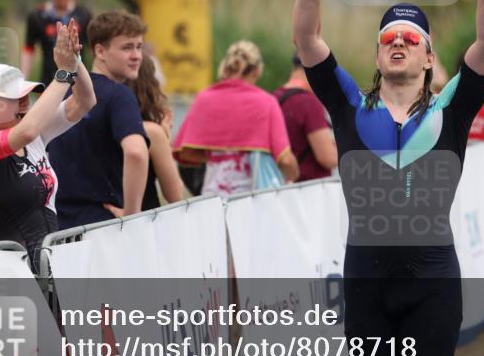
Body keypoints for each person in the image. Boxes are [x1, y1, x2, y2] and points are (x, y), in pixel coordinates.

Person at [294, 0, 484, 356]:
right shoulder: (348, 106)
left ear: (429, 56)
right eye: (389, 37)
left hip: (431, 281)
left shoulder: (449, 111)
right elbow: (307, 41)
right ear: (377, 53)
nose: (399, 42)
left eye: (410, 36)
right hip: (366, 284)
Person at [0, 24, 95, 269]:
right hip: (15, 270)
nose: (24, 101)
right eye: (13, 97)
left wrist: (74, 59)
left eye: (26, 93)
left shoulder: (32, 132)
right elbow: (28, 130)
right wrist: (63, 73)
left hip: (53, 261)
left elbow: (85, 101)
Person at [47, 12, 150, 228]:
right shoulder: (119, 95)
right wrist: (132, 213)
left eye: (139, 47)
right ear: (100, 51)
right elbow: (136, 152)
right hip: (103, 226)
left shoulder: (62, 93)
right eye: (127, 47)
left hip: (57, 224)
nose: (136, 55)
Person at [172, 40, 298, 196]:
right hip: (251, 201)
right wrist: (293, 174)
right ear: (257, 70)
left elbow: (185, 153)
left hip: (214, 199)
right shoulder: (266, 103)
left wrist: (220, 154)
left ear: (226, 65)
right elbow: (285, 160)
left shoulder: (204, 99)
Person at [127, 55, 184, 210]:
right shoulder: (151, 132)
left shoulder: (97, 120)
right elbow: (175, 195)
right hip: (138, 219)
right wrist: (165, 140)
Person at [272, 53, 338, 181]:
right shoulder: (309, 103)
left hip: (280, 188)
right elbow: (328, 158)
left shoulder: (273, 98)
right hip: (310, 190)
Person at [22, 0, 93, 88]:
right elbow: (29, 48)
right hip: (49, 79)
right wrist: (23, 78)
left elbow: (93, 48)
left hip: (77, 82)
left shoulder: (84, 14)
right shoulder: (37, 16)